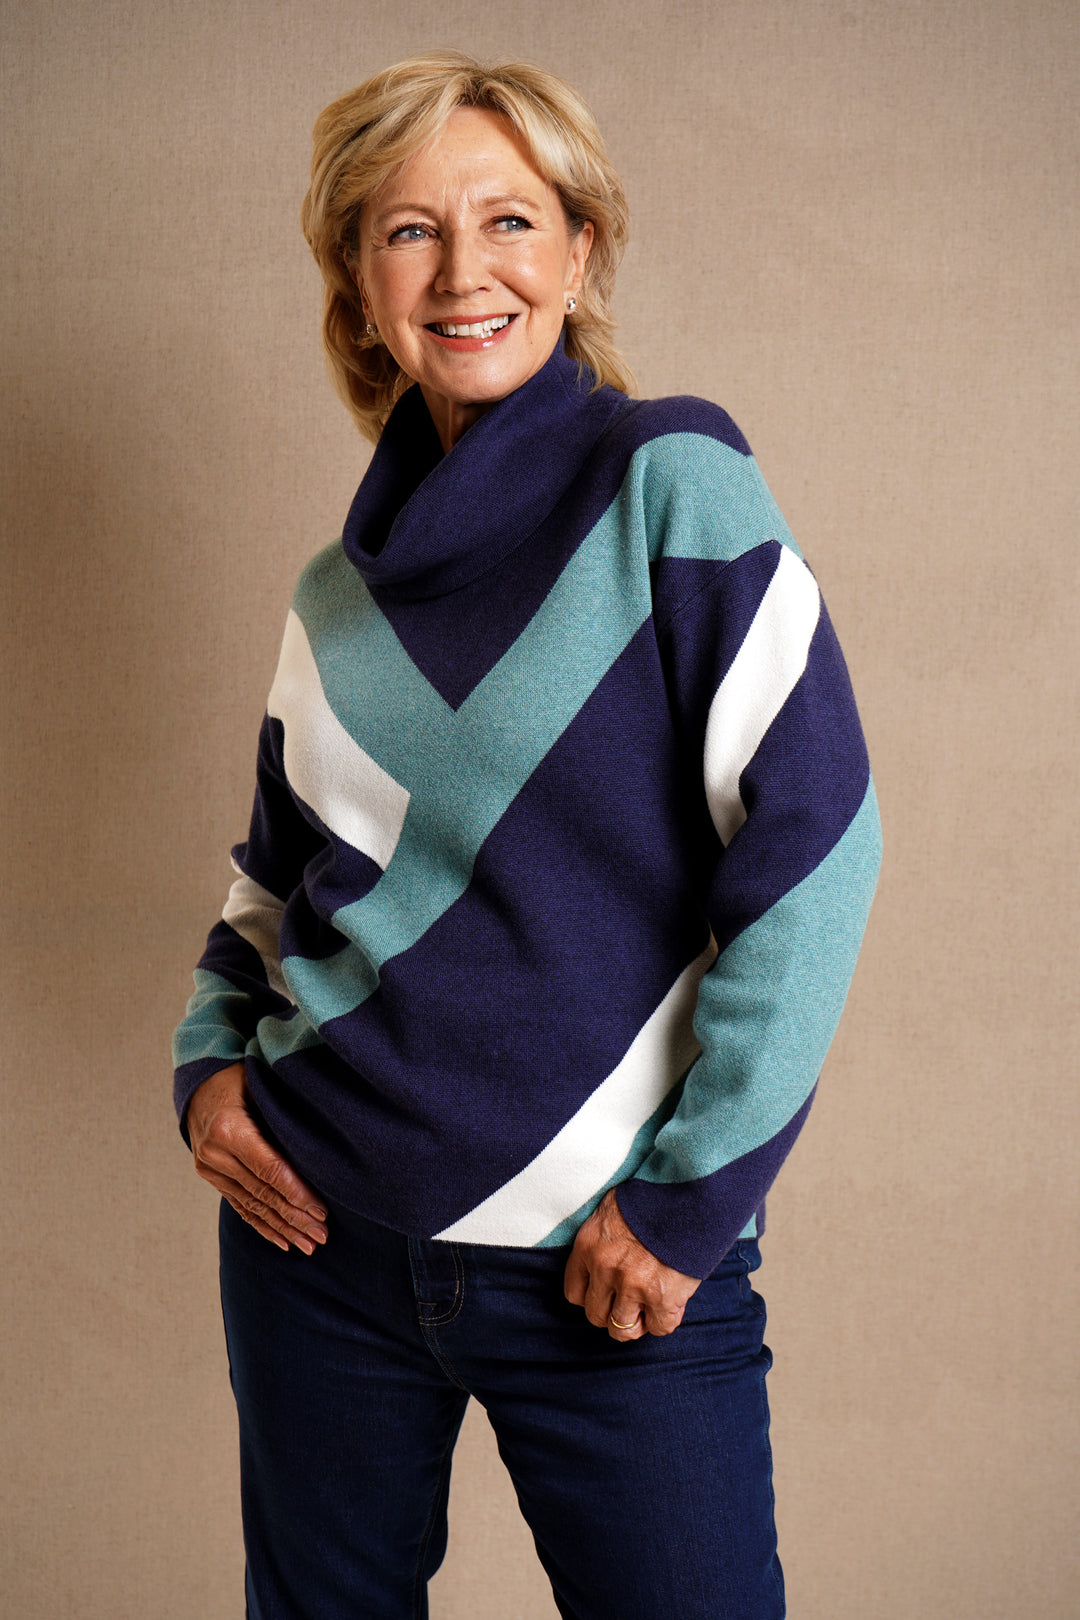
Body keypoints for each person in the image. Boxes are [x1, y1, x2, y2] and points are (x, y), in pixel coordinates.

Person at [173, 50, 881, 1620]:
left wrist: (689, 1202)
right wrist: (205, 1069)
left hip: (610, 1267)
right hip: (321, 1251)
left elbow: (821, 843)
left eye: (511, 219)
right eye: (410, 231)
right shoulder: (329, 604)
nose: (465, 269)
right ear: (359, 284)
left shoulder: (673, 488)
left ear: (579, 250)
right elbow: (273, 881)